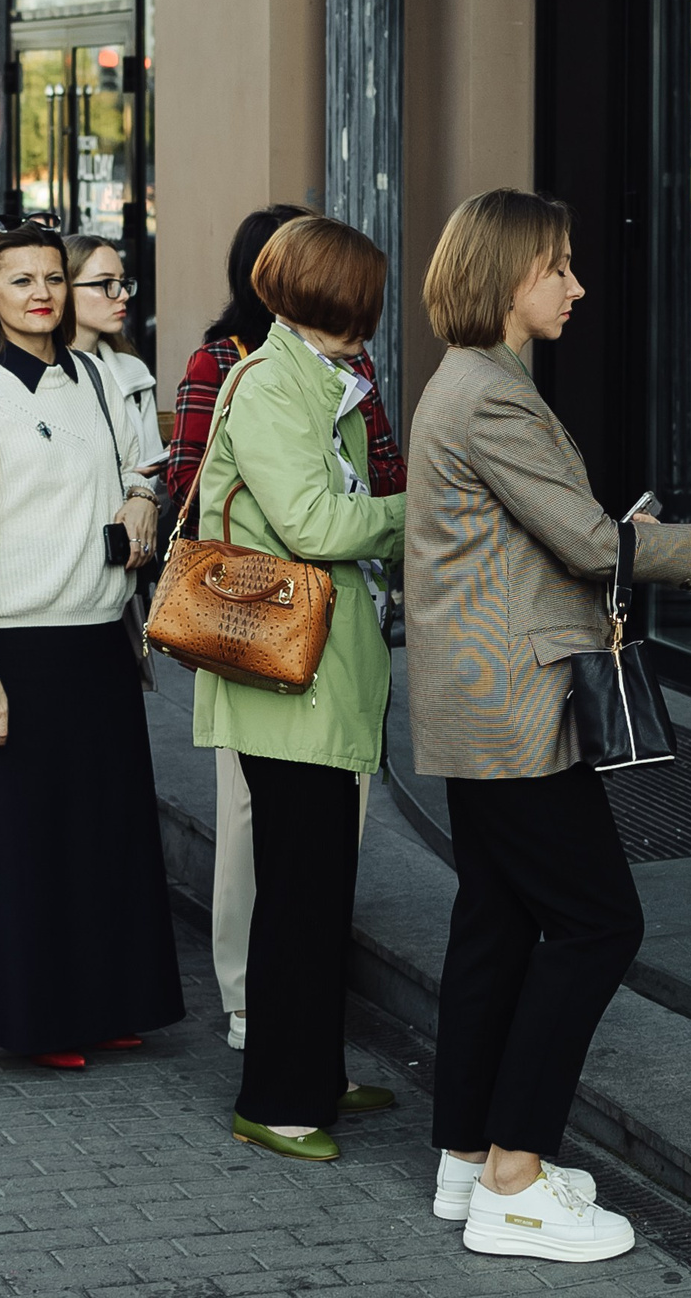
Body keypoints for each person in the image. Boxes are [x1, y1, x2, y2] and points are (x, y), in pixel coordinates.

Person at [408, 189, 691, 1261]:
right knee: (598, 924)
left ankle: (468, 1157)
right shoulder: (491, 395)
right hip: (512, 707)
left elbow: (545, 539)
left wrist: (633, 536)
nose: (576, 284)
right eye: (556, 267)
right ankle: (515, 1179)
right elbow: (582, 541)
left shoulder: (472, 382)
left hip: (485, 697)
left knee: (496, 922)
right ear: (502, 277)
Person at [0, 219, 182, 1066]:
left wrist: (140, 498)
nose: (42, 294)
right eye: (21, 280)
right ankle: (37, 1021)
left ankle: (105, 1003)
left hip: (96, 643)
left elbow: (139, 465)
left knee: (99, 841)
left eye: (53, 278)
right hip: (13, 652)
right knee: (27, 852)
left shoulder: (92, 376)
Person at [160, 203, 406, 1053]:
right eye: (360, 299)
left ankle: (312, 1080)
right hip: (286, 667)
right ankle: (280, 1095)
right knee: (300, 893)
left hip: (318, 672)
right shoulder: (272, 381)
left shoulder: (320, 377)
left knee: (315, 891)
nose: (370, 317)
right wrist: (422, 512)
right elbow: (315, 524)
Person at [62, 235, 162, 473]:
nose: (123, 294)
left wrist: (138, 486)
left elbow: (153, 471)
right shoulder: (41, 376)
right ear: (62, 289)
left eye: (122, 282)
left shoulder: (134, 373)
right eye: (106, 283)